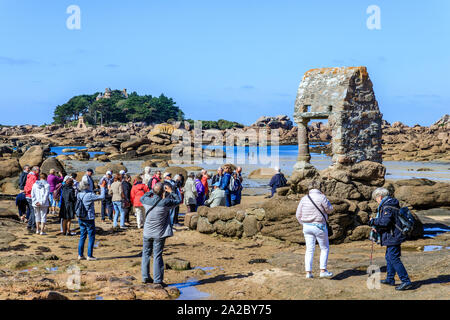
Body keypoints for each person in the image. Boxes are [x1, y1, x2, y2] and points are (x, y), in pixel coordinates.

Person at [369, 188, 413, 291]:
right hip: (392, 235)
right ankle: (390, 279)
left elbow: (385, 222)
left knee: (393, 258)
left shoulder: (388, 206)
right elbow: (389, 222)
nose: (376, 201)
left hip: (393, 236)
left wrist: (373, 221)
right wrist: (377, 227)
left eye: (376, 198)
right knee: (389, 257)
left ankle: (406, 281)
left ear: (380, 196)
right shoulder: (390, 203)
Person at [140, 182, 181, 285]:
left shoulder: (146, 201)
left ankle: (145, 277)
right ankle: (158, 280)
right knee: (157, 256)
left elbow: (142, 197)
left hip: (147, 232)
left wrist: (152, 190)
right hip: (159, 233)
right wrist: (171, 191)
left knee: (146, 254)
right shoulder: (165, 202)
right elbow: (179, 201)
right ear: (163, 191)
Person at [296, 180, 334, 279]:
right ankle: (323, 271)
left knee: (309, 249)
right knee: (324, 248)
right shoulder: (322, 197)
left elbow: (298, 215)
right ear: (319, 187)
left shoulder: (304, 198)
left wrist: (304, 224)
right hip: (319, 226)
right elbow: (330, 210)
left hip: (307, 226)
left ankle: (308, 273)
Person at [77, 179, 107, 261]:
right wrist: (102, 188)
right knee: (91, 237)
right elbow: (102, 197)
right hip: (88, 217)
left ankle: (80, 255)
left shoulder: (78, 194)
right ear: (87, 186)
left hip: (80, 217)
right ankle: (89, 255)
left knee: (82, 236)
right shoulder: (89, 195)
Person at [24, 166, 40, 232]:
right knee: (33, 211)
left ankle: (29, 225)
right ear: (35, 170)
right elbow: (33, 187)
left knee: (31, 211)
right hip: (31, 196)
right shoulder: (33, 177)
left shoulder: (30, 176)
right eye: (38, 170)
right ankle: (33, 226)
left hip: (28, 195)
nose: (39, 171)